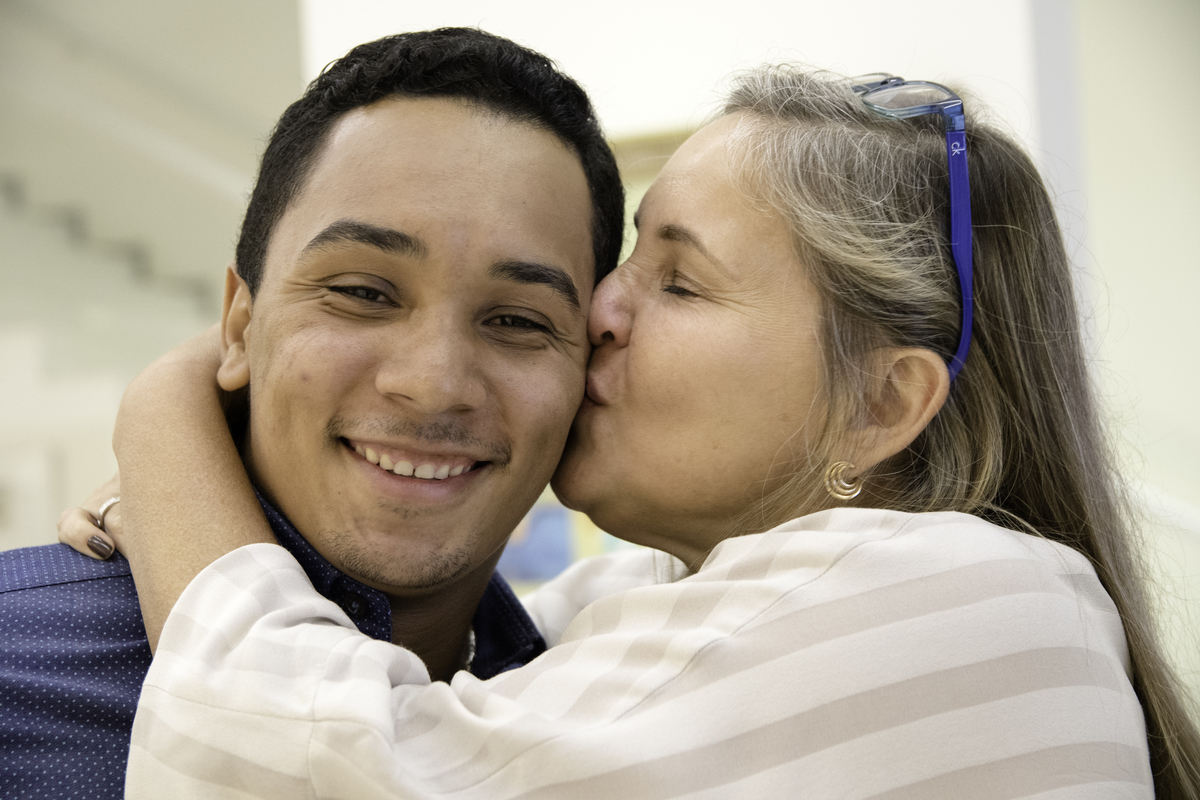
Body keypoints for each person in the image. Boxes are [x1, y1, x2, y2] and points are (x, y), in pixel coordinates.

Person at [64, 68, 1200, 798]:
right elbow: (465, 638)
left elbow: (298, 759)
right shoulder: (680, 609)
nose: (599, 309)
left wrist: (170, 407)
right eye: (625, 260)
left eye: (680, 282)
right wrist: (169, 508)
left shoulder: (975, 594)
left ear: (880, 404)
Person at [1, 27, 623, 799]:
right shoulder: (13, 672)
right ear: (237, 329)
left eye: (517, 321)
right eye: (363, 293)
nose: (432, 384)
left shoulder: (612, 710)